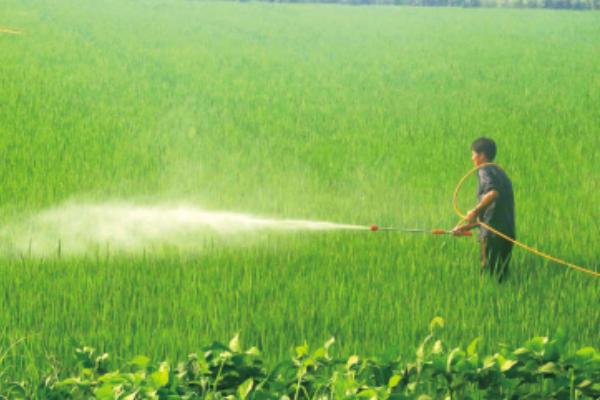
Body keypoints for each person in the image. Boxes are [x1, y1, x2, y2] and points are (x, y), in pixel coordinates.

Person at [452, 137, 515, 282]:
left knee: (488, 277)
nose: (472, 158)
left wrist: (474, 211)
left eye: (473, 154)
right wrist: (466, 227)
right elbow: (493, 211)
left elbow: (493, 193)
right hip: (507, 233)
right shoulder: (500, 173)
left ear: (482, 155)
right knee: (501, 276)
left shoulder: (484, 171)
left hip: (492, 236)